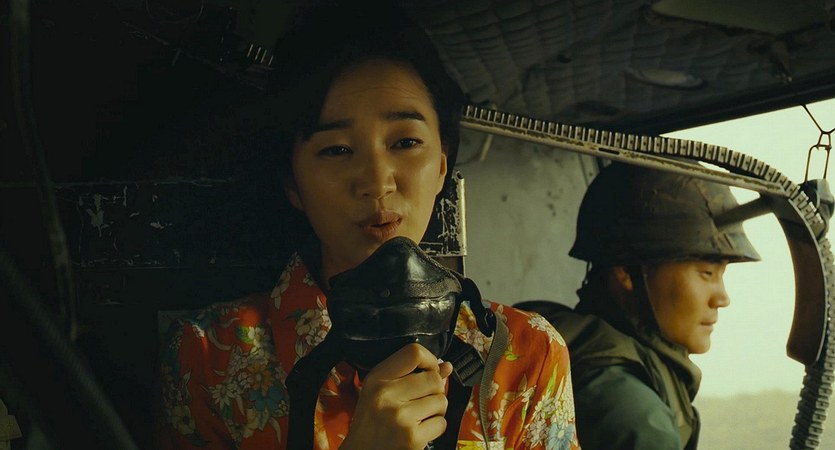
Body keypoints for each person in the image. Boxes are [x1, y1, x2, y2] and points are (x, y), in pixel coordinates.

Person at [157, 1, 580, 449]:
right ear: (292, 184)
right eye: (337, 150)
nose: (378, 182)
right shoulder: (209, 357)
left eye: (406, 142)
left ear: (441, 166)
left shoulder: (526, 355)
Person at [516, 161, 760, 450]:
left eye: (721, 274)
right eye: (706, 273)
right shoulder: (632, 413)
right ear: (626, 271)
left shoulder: (576, 349)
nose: (722, 298)